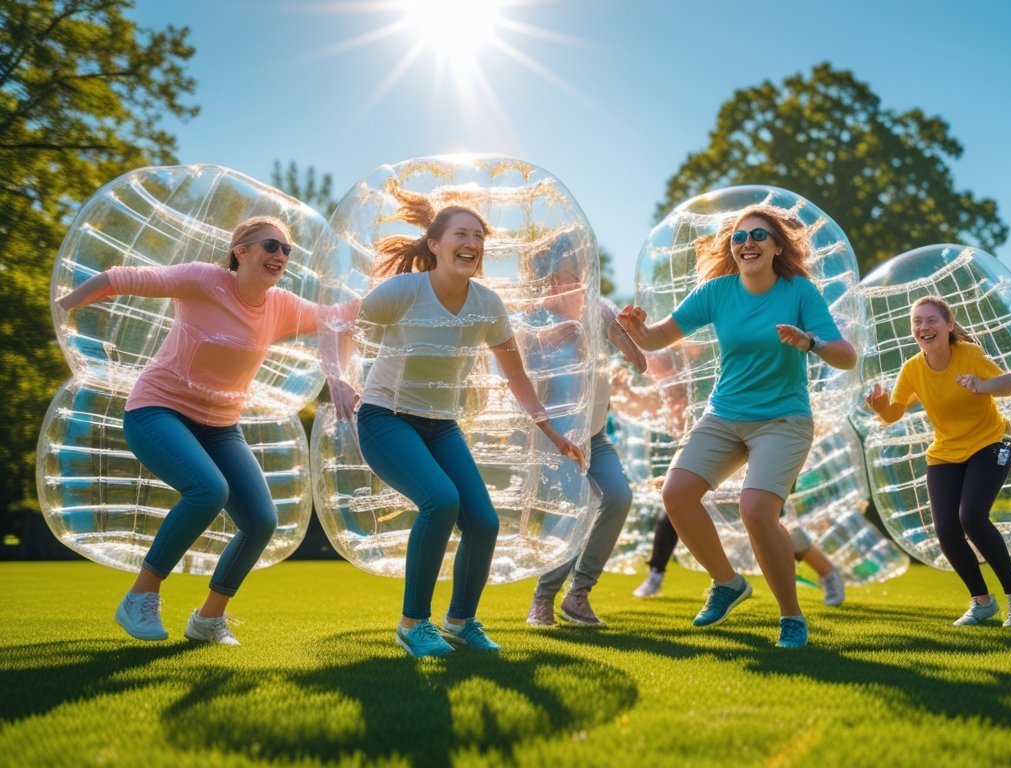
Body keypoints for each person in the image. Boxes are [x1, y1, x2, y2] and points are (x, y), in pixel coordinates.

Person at [326, 189, 584, 657]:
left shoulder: (487, 304)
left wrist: (550, 430)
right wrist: (339, 379)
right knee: (440, 500)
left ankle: (461, 621)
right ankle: (412, 624)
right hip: (385, 418)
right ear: (435, 244)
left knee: (483, 522)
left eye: (478, 236)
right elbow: (338, 323)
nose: (472, 243)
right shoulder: (404, 291)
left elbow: (517, 376)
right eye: (461, 234)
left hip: (442, 425)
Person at [56, 216, 325, 645]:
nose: (280, 255)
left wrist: (406, 292)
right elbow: (122, 278)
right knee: (208, 490)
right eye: (271, 246)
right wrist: (64, 305)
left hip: (220, 428)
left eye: (286, 250)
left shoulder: (281, 305)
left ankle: (207, 620)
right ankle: (140, 596)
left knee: (261, 520)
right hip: (157, 410)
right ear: (241, 251)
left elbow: (337, 317)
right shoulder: (204, 280)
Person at [616, 204, 857, 648]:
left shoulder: (799, 292)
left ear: (777, 247)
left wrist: (810, 342)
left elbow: (846, 356)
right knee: (676, 493)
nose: (747, 243)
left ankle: (791, 617)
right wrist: (637, 328)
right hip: (724, 415)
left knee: (756, 510)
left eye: (759, 236)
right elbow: (657, 338)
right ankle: (728, 583)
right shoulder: (717, 291)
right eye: (739, 237)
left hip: (783, 420)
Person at [866, 296, 1011, 627]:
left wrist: (983, 385)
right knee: (946, 530)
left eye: (931, 320)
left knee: (971, 517)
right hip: (945, 453)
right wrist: (880, 405)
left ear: (949, 325)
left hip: (989, 443)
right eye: (917, 321)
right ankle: (982, 602)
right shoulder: (912, 368)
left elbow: (1010, 384)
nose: (923, 327)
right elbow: (893, 414)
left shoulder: (969, 354)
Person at [523, 238, 648, 628]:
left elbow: (637, 358)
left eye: (576, 274)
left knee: (618, 497)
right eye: (561, 276)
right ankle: (543, 598)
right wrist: (545, 342)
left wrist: (624, 332)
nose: (569, 283)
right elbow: (517, 376)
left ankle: (578, 594)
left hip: (594, 435)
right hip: (557, 439)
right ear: (546, 278)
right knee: (575, 512)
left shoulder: (599, 309)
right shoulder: (533, 319)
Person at [632, 506, 846, 607]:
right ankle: (656, 575)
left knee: (776, 527)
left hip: (754, 464)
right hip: (716, 470)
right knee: (670, 513)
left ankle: (828, 573)